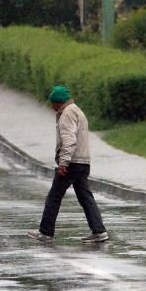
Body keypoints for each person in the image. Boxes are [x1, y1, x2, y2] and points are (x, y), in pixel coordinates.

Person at [27, 85, 109, 244]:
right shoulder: (78, 111)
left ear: (59, 102)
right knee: (86, 198)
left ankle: (45, 232)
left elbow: (69, 140)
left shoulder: (67, 114)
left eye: (53, 103)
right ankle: (99, 231)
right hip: (83, 162)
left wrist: (63, 163)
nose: (52, 107)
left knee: (54, 197)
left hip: (71, 163)